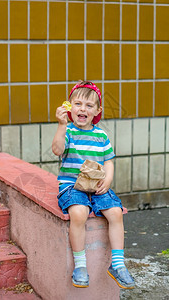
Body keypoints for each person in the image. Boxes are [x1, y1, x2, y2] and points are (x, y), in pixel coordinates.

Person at [52, 81, 135, 289]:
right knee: (79, 213)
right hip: (72, 185)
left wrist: (107, 180)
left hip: (97, 186)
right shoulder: (68, 131)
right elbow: (56, 149)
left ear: (97, 111)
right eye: (78, 104)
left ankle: (117, 264)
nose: (83, 109)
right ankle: (80, 265)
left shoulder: (101, 136)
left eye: (89, 106)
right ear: (70, 107)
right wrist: (61, 126)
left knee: (115, 212)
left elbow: (109, 160)